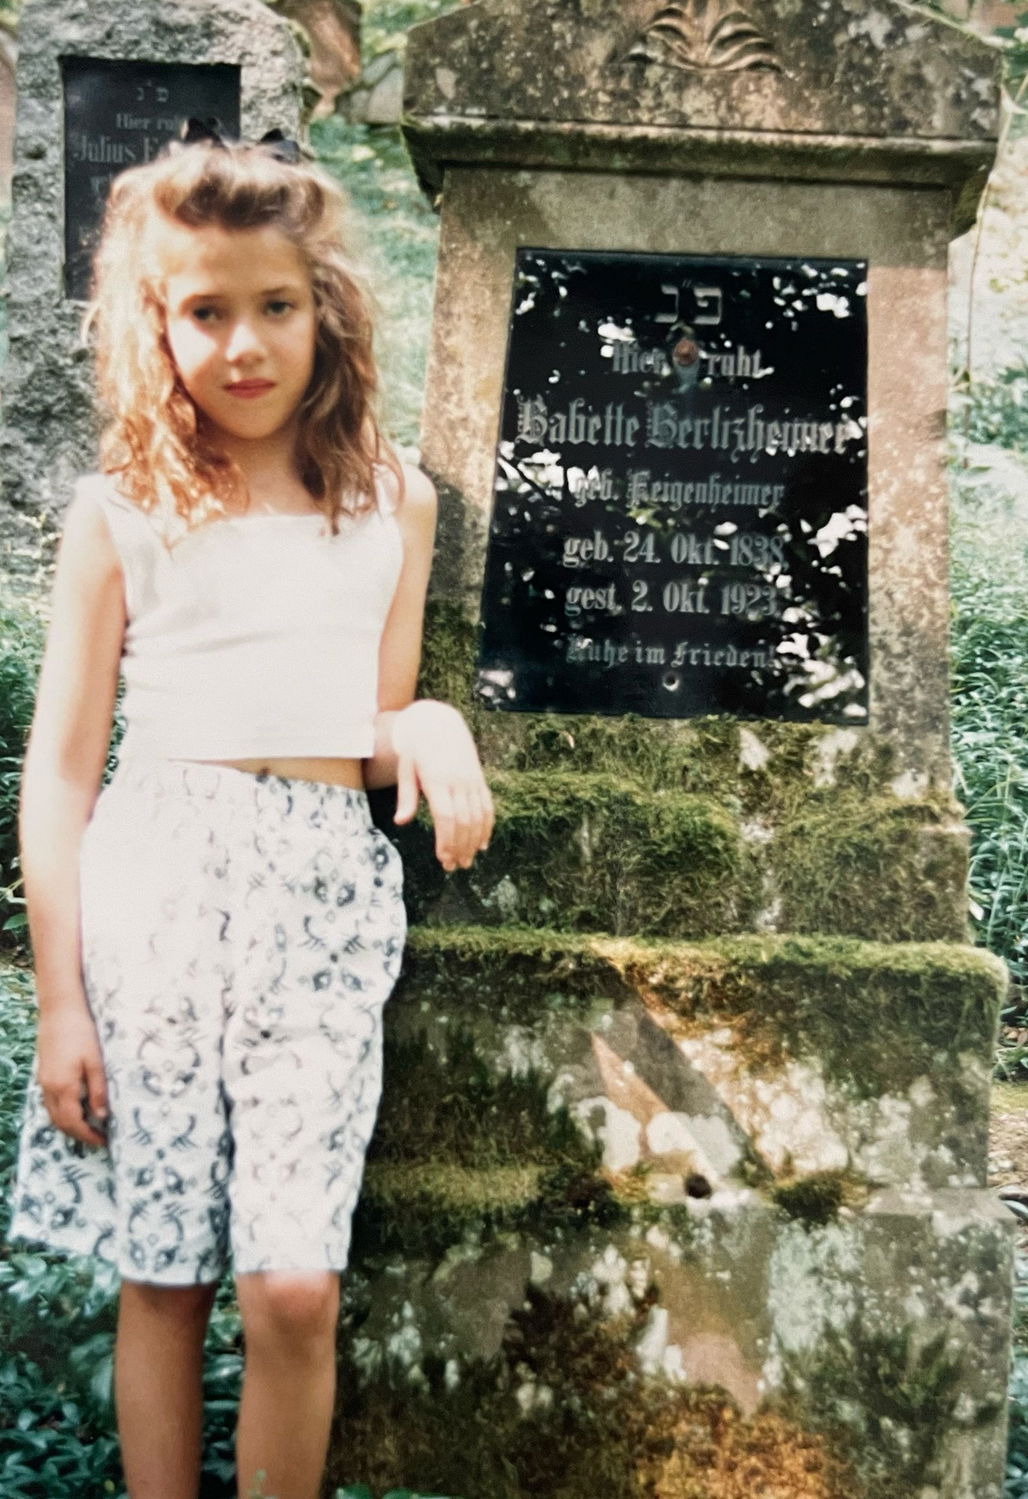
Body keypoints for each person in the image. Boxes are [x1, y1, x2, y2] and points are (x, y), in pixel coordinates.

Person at [5, 129, 493, 1499]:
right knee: (163, 1274)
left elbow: (369, 723)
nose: (243, 345)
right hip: (154, 897)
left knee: (290, 1287)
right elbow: (60, 767)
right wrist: (62, 1004)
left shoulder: (393, 503)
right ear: (155, 325)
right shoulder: (122, 513)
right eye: (204, 311)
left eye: (272, 305)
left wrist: (434, 726)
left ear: (322, 309)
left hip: (323, 902)